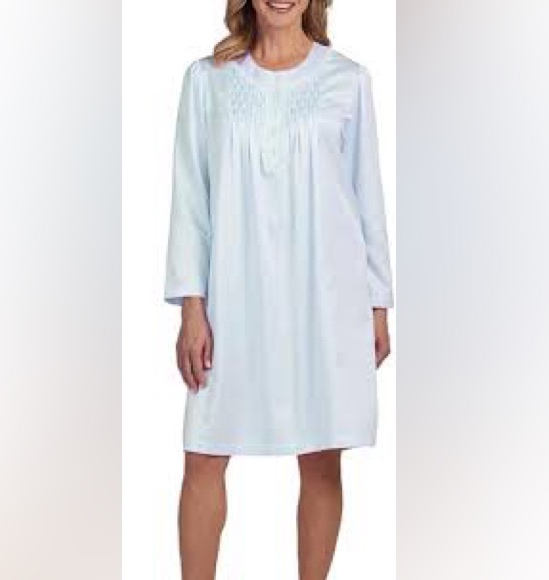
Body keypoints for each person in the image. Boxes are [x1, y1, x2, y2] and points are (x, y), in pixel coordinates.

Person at [164, 0, 394, 577]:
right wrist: (192, 306)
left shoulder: (347, 80)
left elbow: (366, 197)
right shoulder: (207, 81)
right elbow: (191, 199)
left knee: (321, 456)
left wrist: (377, 303)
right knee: (203, 456)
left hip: (325, 299)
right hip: (233, 297)